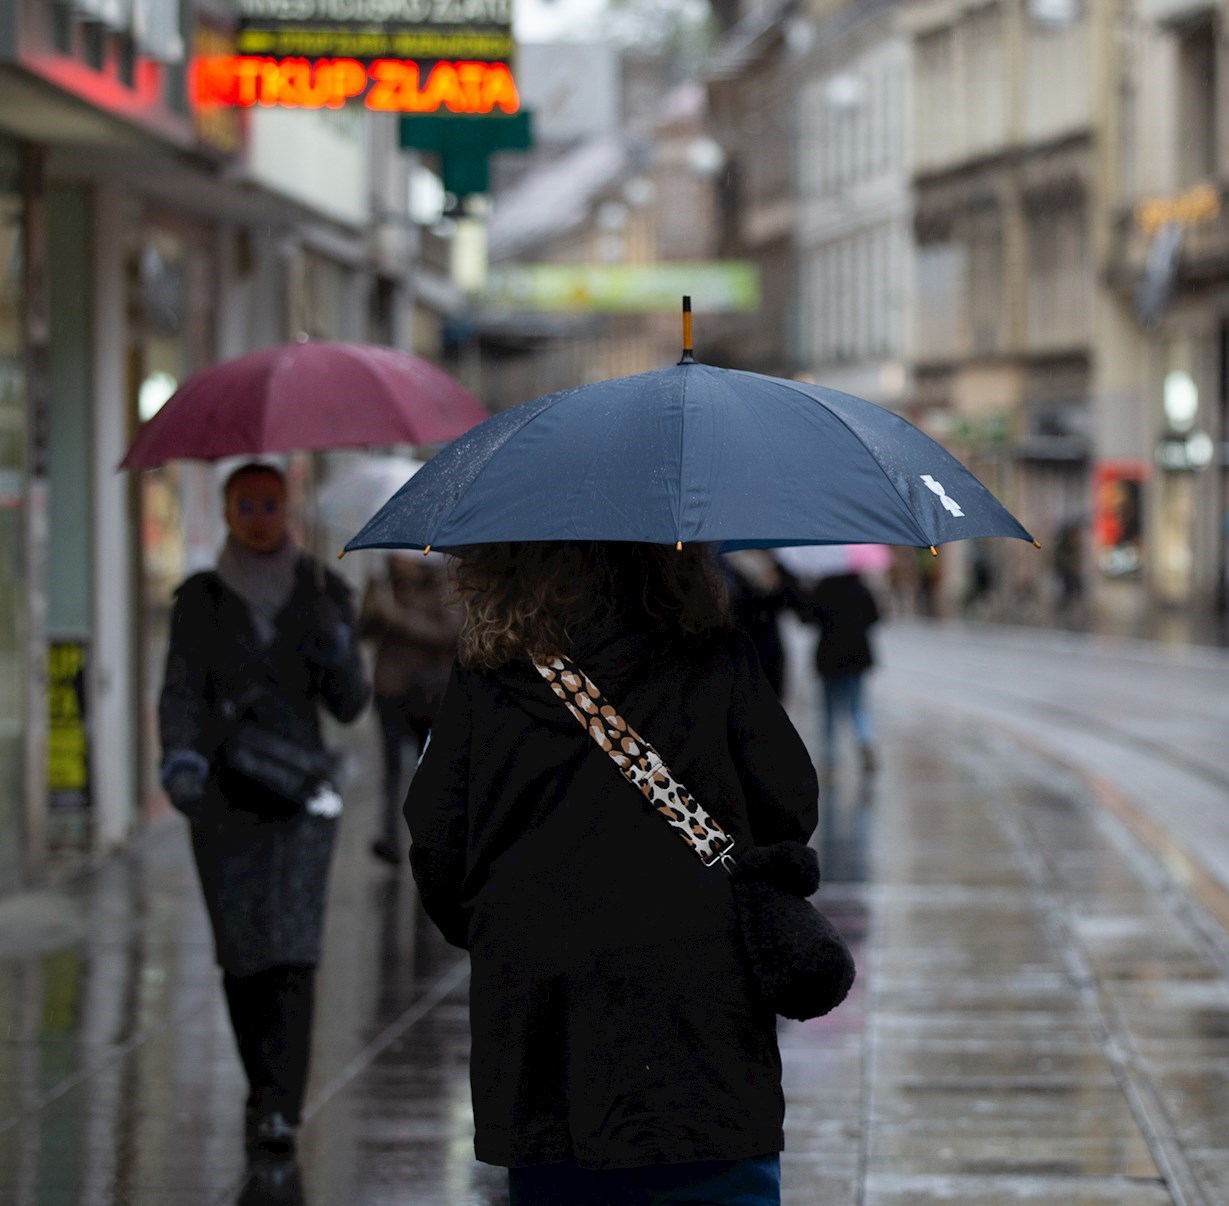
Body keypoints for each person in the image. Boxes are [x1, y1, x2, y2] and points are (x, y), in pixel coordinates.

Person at [404, 542, 816, 1205]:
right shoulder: (712, 651)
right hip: (699, 1002)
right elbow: (790, 800)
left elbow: (437, 842)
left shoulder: (491, 671)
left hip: (544, 1018)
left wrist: (506, 927)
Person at [158, 462, 370, 1153]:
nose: (258, 515)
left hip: (300, 800)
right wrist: (181, 760)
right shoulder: (200, 598)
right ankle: (259, 1086)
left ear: (289, 509)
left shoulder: (321, 587)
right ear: (225, 511)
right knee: (243, 954)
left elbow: (350, 703)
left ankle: (282, 1105)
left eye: (270, 503)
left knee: (293, 951)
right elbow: (181, 689)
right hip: (223, 799)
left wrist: (338, 644)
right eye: (245, 503)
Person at [360, 553, 462, 864]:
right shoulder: (383, 583)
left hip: (428, 691)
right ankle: (390, 837)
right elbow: (363, 632)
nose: (401, 561)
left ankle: (429, 838)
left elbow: (450, 632)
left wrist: (397, 616)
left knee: (427, 770)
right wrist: (372, 609)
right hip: (389, 689)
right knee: (391, 769)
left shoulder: (444, 582)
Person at [799, 571, 882, 773]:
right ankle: (865, 739)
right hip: (856, 656)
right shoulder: (861, 589)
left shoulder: (822, 589)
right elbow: (875, 617)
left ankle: (829, 757)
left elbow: (807, 618)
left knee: (829, 710)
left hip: (830, 657)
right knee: (857, 706)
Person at [722, 550, 794, 698]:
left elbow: (790, 600)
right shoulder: (729, 564)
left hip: (770, 647)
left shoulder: (774, 564)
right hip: (743, 646)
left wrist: (774, 586)